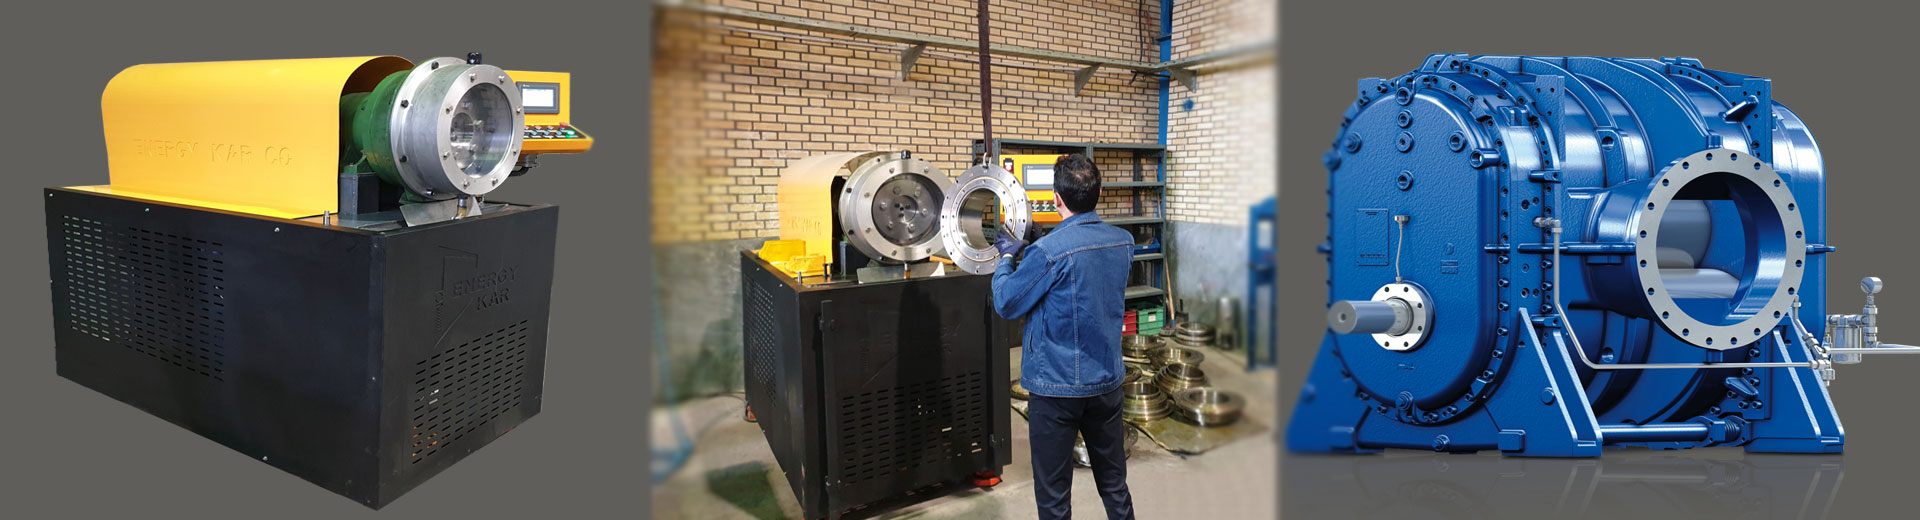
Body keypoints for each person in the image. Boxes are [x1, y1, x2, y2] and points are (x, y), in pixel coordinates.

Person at [990, 153, 1135, 520]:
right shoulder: (1123, 242)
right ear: (1098, 193)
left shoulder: (1046, 253)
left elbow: (1007, 302)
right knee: (1114, 485)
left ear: (1056, 198)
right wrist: (1045, 242)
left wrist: (1006, 258)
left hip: (1056, 390)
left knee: (1054, 499)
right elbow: (1086, 276)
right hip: (1106, 383)